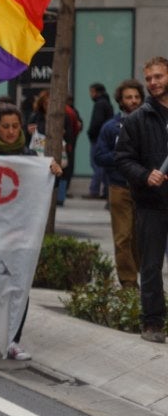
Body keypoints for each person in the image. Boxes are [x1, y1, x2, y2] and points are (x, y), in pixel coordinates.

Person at [0, 103, 63, 360]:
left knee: (18, 286)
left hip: (20, 235)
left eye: (15, 126)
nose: (10, 131)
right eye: (5, 127)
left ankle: (13, 339)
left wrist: (53, 173)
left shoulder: (31, 159)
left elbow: (42, 189)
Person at [115, 56, 168, 343]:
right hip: (151, 203)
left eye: (158, 77)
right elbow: (122, 158)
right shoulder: (137, 119)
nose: (153, 83)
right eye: (149, 78)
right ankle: (152, 323)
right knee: (150, 265)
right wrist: (145, 175)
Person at [93, 79, 145, 289]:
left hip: (145, 189)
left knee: (140, 239)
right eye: (128, 97)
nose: (133, 101)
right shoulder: (110, 127)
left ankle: (139, 273)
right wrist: (123, 157)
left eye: (136, 97)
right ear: (120, 101)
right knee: (123, 237)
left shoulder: (150, 123)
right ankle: (129, 283)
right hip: (119, 187)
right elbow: (99, 156)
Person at [87, 82, 115, 198]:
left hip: (98, 138)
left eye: (91, 92)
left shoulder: (100, 104)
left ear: (96, 92)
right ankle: (105, 191)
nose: (90, 95)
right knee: (101, 166)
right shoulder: (107, 104)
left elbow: (97, 122)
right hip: (103, 138)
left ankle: (95, 190)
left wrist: (91, 133)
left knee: (97, 165)